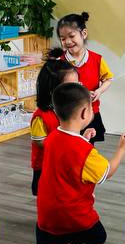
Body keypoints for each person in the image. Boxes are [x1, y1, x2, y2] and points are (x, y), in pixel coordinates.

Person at [22, 82, 125, 244]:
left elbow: (68, 155)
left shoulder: (53, 137)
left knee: (53, 238)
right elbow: (106, 172)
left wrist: (84, 139)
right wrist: (122, 149)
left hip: (48, 208)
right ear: (85, 113)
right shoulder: (85, 151)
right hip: (73, 210)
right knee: (97, 237)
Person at [29, 56, 84, 195]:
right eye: (70, 87)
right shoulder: (41, 116)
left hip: (63, 163)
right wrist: (62, 143)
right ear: (51, 90)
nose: (76, 91)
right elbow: (39, 141)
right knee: (47, 195)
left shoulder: (67, 110)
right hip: (45, 166)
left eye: (78, 85)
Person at [57, 12, 113, 144]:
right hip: (68, 115)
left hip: (90, 113)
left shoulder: (97, 59)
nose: (68, 41)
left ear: (84, 33)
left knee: (88, 147)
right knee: (69, 146)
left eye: (72, 36)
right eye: (63, 38)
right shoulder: (59, 62)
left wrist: (99, 91)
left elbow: (108, 79)